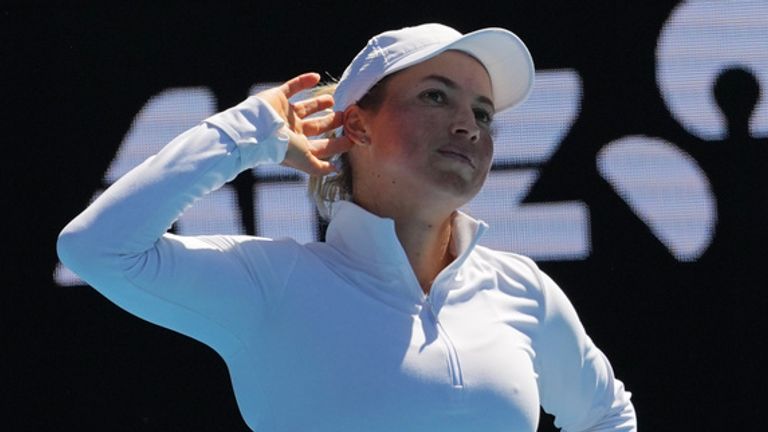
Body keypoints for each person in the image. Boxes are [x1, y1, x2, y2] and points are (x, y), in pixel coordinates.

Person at [57, 23, 637, 431]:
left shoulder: (523, 289)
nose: (469, 125)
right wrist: (242, 135)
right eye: (436, 96)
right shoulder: (271, 284)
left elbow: (607, 415)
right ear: (355, 127)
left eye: (483, 113)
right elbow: (97, 249)